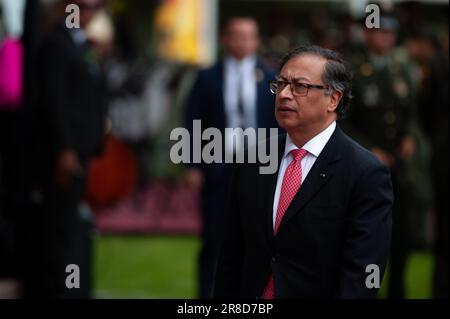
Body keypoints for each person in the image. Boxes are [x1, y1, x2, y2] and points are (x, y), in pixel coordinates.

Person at [213, 45, 393, 299]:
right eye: (281, 83)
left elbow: (362, 273)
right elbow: (231, 255)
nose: (285, 94)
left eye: (300, 86)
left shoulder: (365, 172)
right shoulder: (252, 159)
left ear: (333, 99)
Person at [184, 16, 278, 298]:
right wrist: (192, 164)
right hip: (218, 168)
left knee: (258, 240)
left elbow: (278, 124)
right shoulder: (207, 76)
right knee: (215, 240)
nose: (242, 41)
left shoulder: (272, 79)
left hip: (261, 167)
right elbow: (192, 120)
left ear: (257, 41)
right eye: (236, 35)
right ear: (225, 38)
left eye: (248, 36)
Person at [26, 0, 107, 298]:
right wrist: (64, 149)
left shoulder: (82, 45)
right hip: (62, 155)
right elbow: (54, 100)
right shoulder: (57, 45)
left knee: (72, 225)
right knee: (58, 230)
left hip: (82, 151)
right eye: (85, 6)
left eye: (96, 7)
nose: (91, 12)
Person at [342, 13, 423, 299]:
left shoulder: (402, 70)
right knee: (363, 237)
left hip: (399, 168)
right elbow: (340, 119)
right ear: (367, 33)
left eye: (391, 32)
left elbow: (411, 112)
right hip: (364, 166)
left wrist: (410, 137)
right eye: (379, 31)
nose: (386, 38)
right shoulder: (351, 69)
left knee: (402, 237)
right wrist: (368, 150)